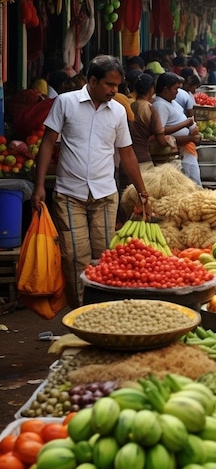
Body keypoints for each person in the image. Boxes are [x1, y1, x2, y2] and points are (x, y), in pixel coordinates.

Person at [31, 55, 150, 309]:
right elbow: (48, 143)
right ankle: (83, 311)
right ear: (92, 81)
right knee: (75, 256)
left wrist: (142, 190)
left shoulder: (118, 110)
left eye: (117, 86)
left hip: (105, 194)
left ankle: (104, 308)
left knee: (104, 255)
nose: (115, 91)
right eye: (109, 85)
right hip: (68, 193)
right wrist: (39, 185)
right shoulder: (65, 103)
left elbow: (126, 152)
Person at [154, 72, 202, 186]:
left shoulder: (171, 102)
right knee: (189, 181)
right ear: (166, 89)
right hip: (178, 148)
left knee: (193, 179)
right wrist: (186, 126)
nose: (177, 92)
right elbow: (161, 131)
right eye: (175, 89)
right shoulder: (160, 105)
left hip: (187, 145)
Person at [129, 73, 176, 173]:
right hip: (143, 162)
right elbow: (161, 141)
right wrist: (171, 142)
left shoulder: (129, 106)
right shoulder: (150, 109)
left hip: (127, 162)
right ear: (151, 90)